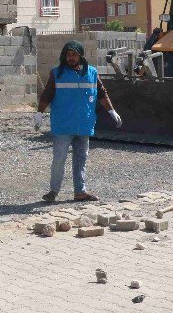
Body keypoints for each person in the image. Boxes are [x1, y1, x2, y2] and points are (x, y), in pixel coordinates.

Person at [34, 40, 122, 203]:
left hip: (84, 124)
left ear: (80, 56)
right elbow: (46, 95)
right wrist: (39, 113)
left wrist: (112, 111)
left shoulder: (92, 73)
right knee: (59, 160)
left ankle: (80, 192)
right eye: (68, 55)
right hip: (63, 125)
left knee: (81, 159)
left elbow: (102, 94)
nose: (71, 58)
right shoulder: (57, 73)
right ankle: (53, 191)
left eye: (74, 55)